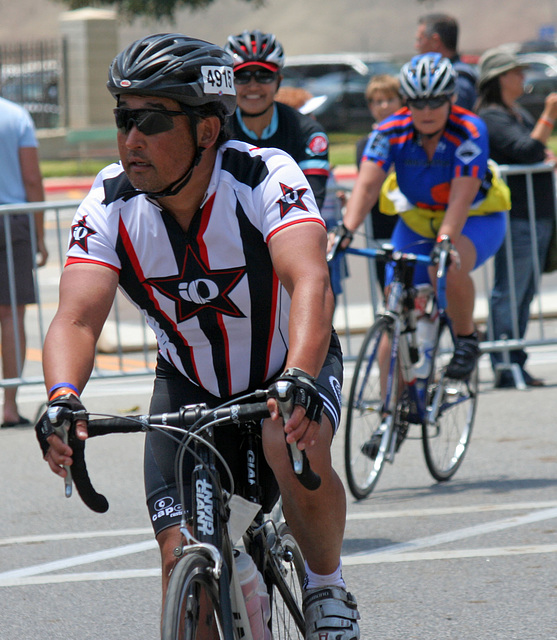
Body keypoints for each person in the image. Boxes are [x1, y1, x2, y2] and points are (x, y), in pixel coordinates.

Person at [34, 33, 360, 640]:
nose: (131, 139)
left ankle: (326, 586)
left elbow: (311, 279)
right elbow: (77, 317)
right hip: (186, 384)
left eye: (152, 120)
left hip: (284, 365)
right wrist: (60, 397)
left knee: (287, 439)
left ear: (207, 130)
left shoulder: (264, 175)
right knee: (178, 561)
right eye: (124, 119)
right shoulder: (110, 202)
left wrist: (300, 376)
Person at [330, 53, 509, 380]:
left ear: (451, 98)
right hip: (416, 220)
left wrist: (445, 240)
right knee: (394, 308)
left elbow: (462, 194)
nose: (426, 111)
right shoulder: (388, 131)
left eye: (436, 102)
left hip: (474, 217)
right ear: (405, 102)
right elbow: (367, 186)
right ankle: (390, 415)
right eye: (417, 103)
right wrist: (345, 228)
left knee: (447, 265)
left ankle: (467, 339)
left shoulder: (469, 129)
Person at [476, 47, 557, 388]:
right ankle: (505, 362)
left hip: (535, 215)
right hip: (517, 217)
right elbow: (526, 149)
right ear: (498, 79)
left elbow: (534, 149)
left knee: (524, 292)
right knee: (510, 290)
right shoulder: (492, 117)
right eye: (515, 72)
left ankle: (515, 359)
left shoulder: (515, 112)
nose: (522, 76)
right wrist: (550, 114)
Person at [224, 29, 330, 210]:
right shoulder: (216, 128)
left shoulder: (307, 132)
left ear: (278, 81)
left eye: (264, 75)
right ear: (230, 82)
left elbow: (311, 201)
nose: (253, 86)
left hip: (289, 225)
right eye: (242, 76)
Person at [0, 95, 48, 428]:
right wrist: (40, 236)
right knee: (12, 313)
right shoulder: (16, 116)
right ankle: (9, 405)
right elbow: (32, 178)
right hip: (12, 219)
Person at [356, 74, 404, 288]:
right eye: (377, 101)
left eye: (390, 99)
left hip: (413, 221)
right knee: (386, 284)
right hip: (380, 224)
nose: (384, 106)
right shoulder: (365, 143)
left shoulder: (413, 137)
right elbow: (370, 180)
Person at [415, 13, 478, 111]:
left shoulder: (456, 81)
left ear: (435, 41)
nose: (416, 46)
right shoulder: (462, 73)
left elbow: (456, 122)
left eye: (420, 40)